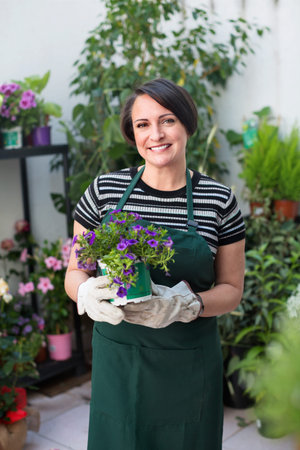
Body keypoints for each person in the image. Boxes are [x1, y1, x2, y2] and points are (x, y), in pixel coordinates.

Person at [65, 78, 245, 450]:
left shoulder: (218, 200)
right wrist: (85, 291)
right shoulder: (104, 192)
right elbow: (75, 270)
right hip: (119, 363)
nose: (156, 134)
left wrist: (187, 304)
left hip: (188, 366)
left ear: (187, 125)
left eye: (168, 121)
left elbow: (231, 290)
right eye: (142, 125)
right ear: (132, 134)